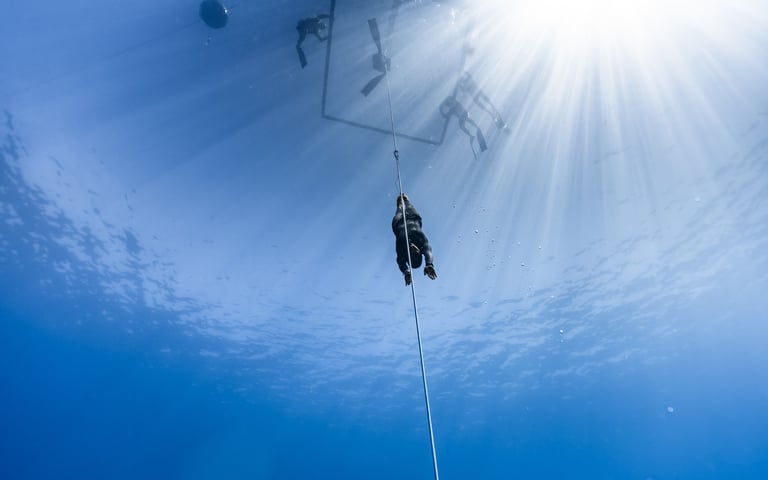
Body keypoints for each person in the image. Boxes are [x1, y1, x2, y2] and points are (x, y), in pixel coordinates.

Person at [392, 194, 437, 286]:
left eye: (412, 254)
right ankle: (405, 200)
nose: (413, 250)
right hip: (414, 218)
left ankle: (400, 204)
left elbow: (401, 263)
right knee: (408, 206)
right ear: (420, 253)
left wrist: (406, 272)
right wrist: (429, 264)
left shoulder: (402, 249)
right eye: (416, 254)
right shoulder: (422, 244)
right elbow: (428, 252)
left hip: (398, 222)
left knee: (400, 210)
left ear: (407, 256)